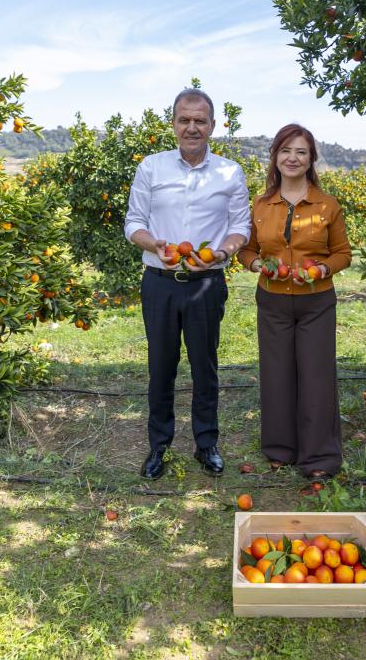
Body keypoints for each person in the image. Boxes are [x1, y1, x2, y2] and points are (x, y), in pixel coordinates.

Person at [124, 88, 251, 479]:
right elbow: (134, 222)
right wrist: (153, 244)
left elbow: (240, 227)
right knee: (161, 366)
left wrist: (222, 253)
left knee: (204, 366)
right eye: (185, 120)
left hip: (206, 283)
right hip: (159, 281)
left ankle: (206, 443)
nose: (192, 127)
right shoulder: (151, 167)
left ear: (212, 125)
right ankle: (158, 446)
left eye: (200, 120)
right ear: (174, 124)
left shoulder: (230, 172)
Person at [237, 124, 351, 481]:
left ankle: (319, 457)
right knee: (276, 376)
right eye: (286, 151)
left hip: (316, 303)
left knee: (317, 377)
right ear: (275, 156)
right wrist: (257, 264)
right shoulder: (261, 205)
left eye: (301, 152)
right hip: (272, 301)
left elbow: (343, 253)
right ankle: (280, 449)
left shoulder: (327, 205)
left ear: (311, 159)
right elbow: (247, 249)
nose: (293, 158)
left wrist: (321, 270)